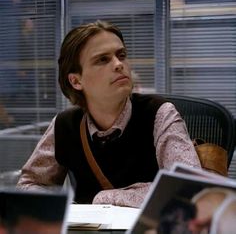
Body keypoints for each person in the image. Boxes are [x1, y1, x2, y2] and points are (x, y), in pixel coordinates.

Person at [17, 20, 201, 207]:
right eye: (102, 59)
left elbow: (188, 189)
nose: (118, 64)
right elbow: (30, 184)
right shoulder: (65, 124)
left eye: (121, 55)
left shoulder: (158, 113)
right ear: (76, 81)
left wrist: (104, 198)